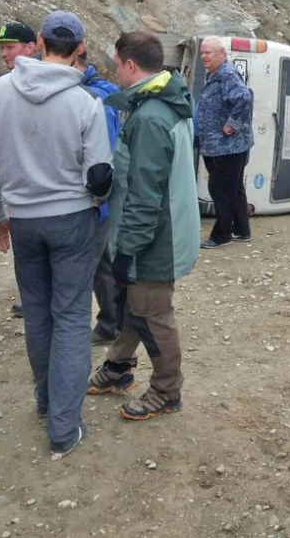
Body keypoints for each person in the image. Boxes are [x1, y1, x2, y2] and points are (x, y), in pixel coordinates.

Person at [0, 10, 113, 457]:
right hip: (71, 219)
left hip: (23, 221)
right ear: (79, 48)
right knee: (73, 317)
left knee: (37, 314)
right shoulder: (85, 103)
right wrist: (91, 208)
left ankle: (45, 401)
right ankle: (63, 427)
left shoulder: (0, 92)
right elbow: (99, 177)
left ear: (37, 40)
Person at [87, 31, 200, 421]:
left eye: (117, 64)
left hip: (154, 240)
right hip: (155, 233)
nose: (114, 71)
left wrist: (129, 248)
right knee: (137, 305)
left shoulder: (151, 117)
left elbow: (145, 195)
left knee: (153, 313)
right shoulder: (156, 103)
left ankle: (167, 391)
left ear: (130, 65)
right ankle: (119, 367)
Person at [0, 22, 38, 319]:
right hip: (24, 196)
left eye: (10, 47)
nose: (4, 53)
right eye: (2, 48)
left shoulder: (2, 90)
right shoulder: (4, 89)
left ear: (31, 47)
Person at [74, 50, 123, 345]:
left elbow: (100, 160)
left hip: (93, 202)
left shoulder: (92, 98)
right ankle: (111, 324)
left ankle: (98, 327)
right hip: (99, 201)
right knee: (103, 264)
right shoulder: (101, 93)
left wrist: (98, 197)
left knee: (85, 268)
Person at [195, 35, 254, 249]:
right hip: (223, 147)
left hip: (227, 147)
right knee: (234, 188)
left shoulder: (227, 74)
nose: (203, 56)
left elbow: (244, 99)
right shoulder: (216, 75)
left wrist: (231, 125)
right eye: (202, 52)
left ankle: (222, 235)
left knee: (220, 189)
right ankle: (242, 230)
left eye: (208, 52)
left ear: (222, 54)